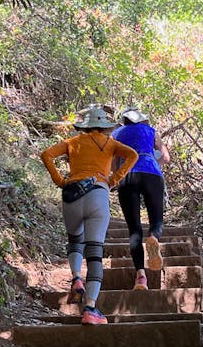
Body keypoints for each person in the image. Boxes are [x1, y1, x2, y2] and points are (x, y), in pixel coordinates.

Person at [40, 104, 138, 324]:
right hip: (98, 194)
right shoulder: (110, 143)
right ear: (104, 127)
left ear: (85, 127)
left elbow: (46, 154)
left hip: (72, 195)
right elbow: (132, 155)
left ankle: (76, 278)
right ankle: (90, 309)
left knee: (75, 241)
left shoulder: (72, 142)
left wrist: (59, 180)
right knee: (95, 253)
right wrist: (114, 178)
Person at [111, 107, 170, 291]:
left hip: (128, 175)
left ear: (124, 121)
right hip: (152, 172)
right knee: (156, 219)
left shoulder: (116, 133)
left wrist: (116, 178)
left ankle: (141, 278)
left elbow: (114, 165)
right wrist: (154, 162)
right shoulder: (151, 131)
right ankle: (153, 237)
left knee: (134, 229)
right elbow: (166, 158)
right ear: (141, 120)